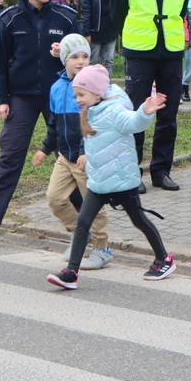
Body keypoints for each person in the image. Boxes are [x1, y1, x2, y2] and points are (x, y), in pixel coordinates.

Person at [0, 0, 80, 242]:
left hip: (60, 94)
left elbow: (83, 57)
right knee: (10, 155)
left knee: (69, 154)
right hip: (21, 97)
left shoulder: (66, 17)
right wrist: (1, 99)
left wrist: (65, 54)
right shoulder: (10, 18)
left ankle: (84, 222)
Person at [46, 65, 175, 289]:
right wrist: (86, 155)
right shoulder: (92, 109)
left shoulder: (114, 110)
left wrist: (145, 110)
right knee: (83, 223)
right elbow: (95, 140)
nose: (77, 99)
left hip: (121, 180)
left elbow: (134, 123)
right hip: (99, 181)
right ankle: (71, 273)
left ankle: (164, 259)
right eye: (76, 94)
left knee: (139, 221)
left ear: (97, 93)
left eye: (80, 95)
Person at [109, 0, 190, 193]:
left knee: (168, 115)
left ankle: (161, 171)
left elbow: (180, 8)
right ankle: (132, 173)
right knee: (136, 113)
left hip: (171, 51)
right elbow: (116, 10)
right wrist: (134, 35)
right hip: (140, 52)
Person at [32, 34, 113, 270]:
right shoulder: (57, 88)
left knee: (92, 203)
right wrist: (45, 149)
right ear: (64, 59)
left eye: (85, 56)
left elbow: (94, 125)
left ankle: (102, 247)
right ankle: (81, 234)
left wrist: (85, 152)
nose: (81, 61)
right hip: (64, 158)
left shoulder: (93, 87)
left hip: (85, 159)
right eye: (75, 56)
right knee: (55, 198)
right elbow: (54, 124)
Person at [80, 0, 116, 74]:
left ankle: (107, 86)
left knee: (108, 61)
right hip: (96, 34)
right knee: (93, 62)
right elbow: (86, 15)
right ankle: (92, 86)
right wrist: (87, 33)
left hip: (110, 33)